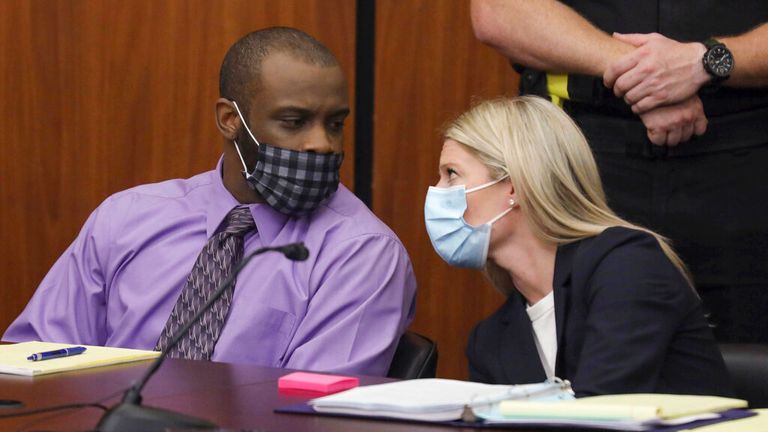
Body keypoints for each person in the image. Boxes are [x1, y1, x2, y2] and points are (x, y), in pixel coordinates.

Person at [3, 27, 416, 376]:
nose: (322, 145)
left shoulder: (362, 252)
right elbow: (29, 364)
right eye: (295, 122)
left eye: (335, 124)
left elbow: (311, 412)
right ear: (229, 119)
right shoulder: (127, 218)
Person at [470, 0, 768, 343]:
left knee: (748, 361)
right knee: (576, 363)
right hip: (581, 160)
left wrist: (706, 63)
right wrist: (648, 75)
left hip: (745, 163)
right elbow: (498, 12)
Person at [424, 96, 730, 396]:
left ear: (515, 185)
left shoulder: (626, 267)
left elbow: (602, 417)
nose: (436, 192)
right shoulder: (489, 341)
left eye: (451, 174)